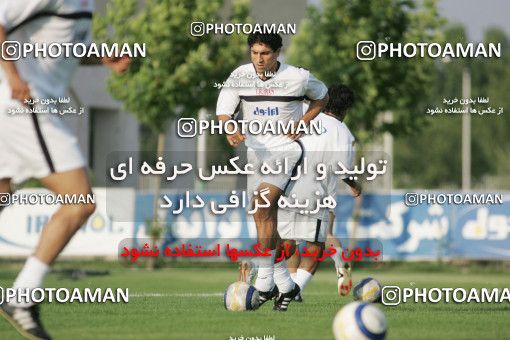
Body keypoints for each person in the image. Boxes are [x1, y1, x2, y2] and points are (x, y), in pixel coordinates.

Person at [0, 1, 129, 339]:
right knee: (79, 201)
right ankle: (22, 297)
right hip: (25, 104)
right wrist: (13, 76)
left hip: (19, 103)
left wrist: (100, 57)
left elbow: (62, 48)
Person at [216, 33, 329, 308]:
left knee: (261, 206)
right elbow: (223, 113)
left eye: (264, 53)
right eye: (254, 53)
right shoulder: (240, 75)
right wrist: (230, 127)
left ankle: (264, 281)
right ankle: (285, 284)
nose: (258, 59)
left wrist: (303, 121)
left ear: (277, 53)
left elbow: (322, 97)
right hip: (256, 154)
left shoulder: (298, 77)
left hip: (286, 152)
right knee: (263, 218)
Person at [272, 84, 361, 310]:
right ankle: (293, 291)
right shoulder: (342, 132)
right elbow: (342, 169)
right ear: (347, 108)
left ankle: (285, 287)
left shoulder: (303, 115)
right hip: (316, 194)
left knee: (289, 243)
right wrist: (354, 184)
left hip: (285, 188)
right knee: (317, 247)